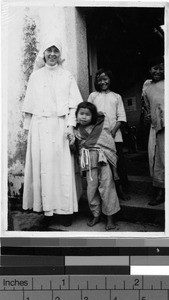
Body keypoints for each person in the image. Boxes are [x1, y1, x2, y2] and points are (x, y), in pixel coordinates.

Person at [22, 36, 83, 229]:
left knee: (62, 170)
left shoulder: (67, 76)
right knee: (45, 169)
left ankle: (65, 211)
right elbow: (29, 109)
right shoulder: (35, 76)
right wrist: (28, 132)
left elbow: (74, 106)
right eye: (49, 50)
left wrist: (70, 127)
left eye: (56, 51)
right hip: (40, 128)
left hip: (61, 128)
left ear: (61, 54)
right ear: (43, 53)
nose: (52, 54)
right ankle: (47, 210)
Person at [74, 101, 120, 230]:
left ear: (93, 116)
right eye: (81, 113)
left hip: (102, 162)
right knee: (91, 191)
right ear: (76, 115)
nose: (83, 117)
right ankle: (96, 214)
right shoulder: (76, 130)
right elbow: (76, 148)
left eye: (87, 114)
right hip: (89, 164)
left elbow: (109, 144)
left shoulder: (101, 127)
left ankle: (110, 219)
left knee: (107, 189)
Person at [88, 69, 129, 200]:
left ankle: (121, 190)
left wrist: (113, 131)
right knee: (104, 166)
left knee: (118, 163)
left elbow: (121, 117)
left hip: (115, 136)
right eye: (100, 80)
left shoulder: (116, 97)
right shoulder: (93, 96)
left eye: (105, 79)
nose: (103, 82)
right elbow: (90, 115)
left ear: (110, 80)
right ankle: (105, 194)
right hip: (99, 137)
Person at [142, 56, 164, 205]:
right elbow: (146, 110)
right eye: (154, 68)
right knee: (155, 159)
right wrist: (147, 117)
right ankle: (159, 191)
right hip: (155, 128)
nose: (157, 71)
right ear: (150, 70)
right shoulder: (147, 87)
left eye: (161, 67)